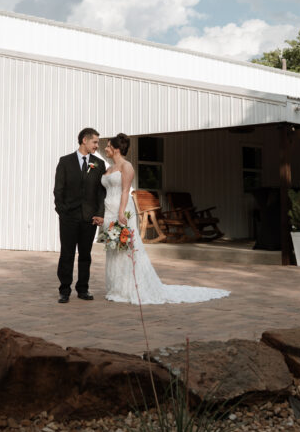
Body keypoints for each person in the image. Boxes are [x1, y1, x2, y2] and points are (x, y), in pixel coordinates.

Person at [102, 133, 230, 304]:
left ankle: (130, 287)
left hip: (122, 210)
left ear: (117, 149)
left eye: (109, 146)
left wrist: (121, 212)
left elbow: (125, 191)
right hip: (108, 210)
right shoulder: (109, 168)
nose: (106, 148)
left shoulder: (127, 167)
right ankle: (116, 286)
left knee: (125, 247)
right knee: (113, 248)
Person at [54, 127, 107, 303]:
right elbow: (58, 189)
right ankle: (64, 290)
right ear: (84, 140)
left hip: (89, 218)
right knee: (67, 254)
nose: (97, 146)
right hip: (68, 217)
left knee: (85, 255)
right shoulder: (65, 161)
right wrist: (62, 211)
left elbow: (101, 193)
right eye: (95, 142)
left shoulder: (98, 165)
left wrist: (99, 214)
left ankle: (83, 289)